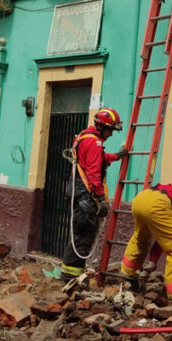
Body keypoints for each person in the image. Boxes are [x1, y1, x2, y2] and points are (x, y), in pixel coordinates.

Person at [60, 107, 128, 278]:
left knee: (78, 236)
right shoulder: (94, 142)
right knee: (83, 238)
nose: (111, 134)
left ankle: (71, 275)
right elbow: (93, 173)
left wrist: (116, 156)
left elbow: (97, 158)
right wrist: (100, 199)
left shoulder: (84, 137)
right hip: (86, 197)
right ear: (102, 127)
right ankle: (70, 277)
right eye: (110, 130)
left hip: (78, 193)